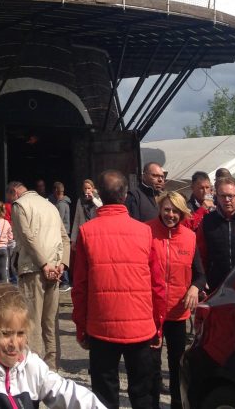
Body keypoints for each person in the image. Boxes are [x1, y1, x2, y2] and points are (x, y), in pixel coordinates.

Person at [71, 169, 164, 409]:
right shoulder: (145, 232)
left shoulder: (86, 232)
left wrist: (81, 326)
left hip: (101, 326)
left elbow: (79, 286)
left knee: (104, 396)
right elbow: (157, 284)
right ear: (125, 195)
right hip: (140, 326)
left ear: (99, 194)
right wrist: (158, 324)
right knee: (143, 395)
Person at [0, 282, 107, 408]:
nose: (14, 344)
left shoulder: (30, 365)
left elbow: (67, 392)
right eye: (5, 334)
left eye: (20, 333)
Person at [147, 191, 206, 409]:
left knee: (176, 363)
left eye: (175, 211)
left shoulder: (189, 237)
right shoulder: (147, 231)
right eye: (166, 209)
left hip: (177, 311)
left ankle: (176, 404)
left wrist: (195, 288)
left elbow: (200, 274)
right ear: (160, 209)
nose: (170, 215)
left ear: (182, 213)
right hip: (151, 311)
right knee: (151, 364)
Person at [6, 179, 70, 369]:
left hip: (33, 269)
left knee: (31, 322)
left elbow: (27, 238)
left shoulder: (20, 205)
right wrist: (62, 264)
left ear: (14, 193)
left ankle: (33, 368)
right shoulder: (50, 205)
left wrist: (44, 264)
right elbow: (65, 238)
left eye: (9, 198)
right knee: (51, 322)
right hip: (55, 269)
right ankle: (52, 367)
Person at [53, 181, 72, 288]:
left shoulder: (61, 204)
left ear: (56, 190)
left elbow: (57, 219)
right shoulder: (65, 203)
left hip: (61, 233)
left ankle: (65, 281)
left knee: (61, 256)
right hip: (64, 231)